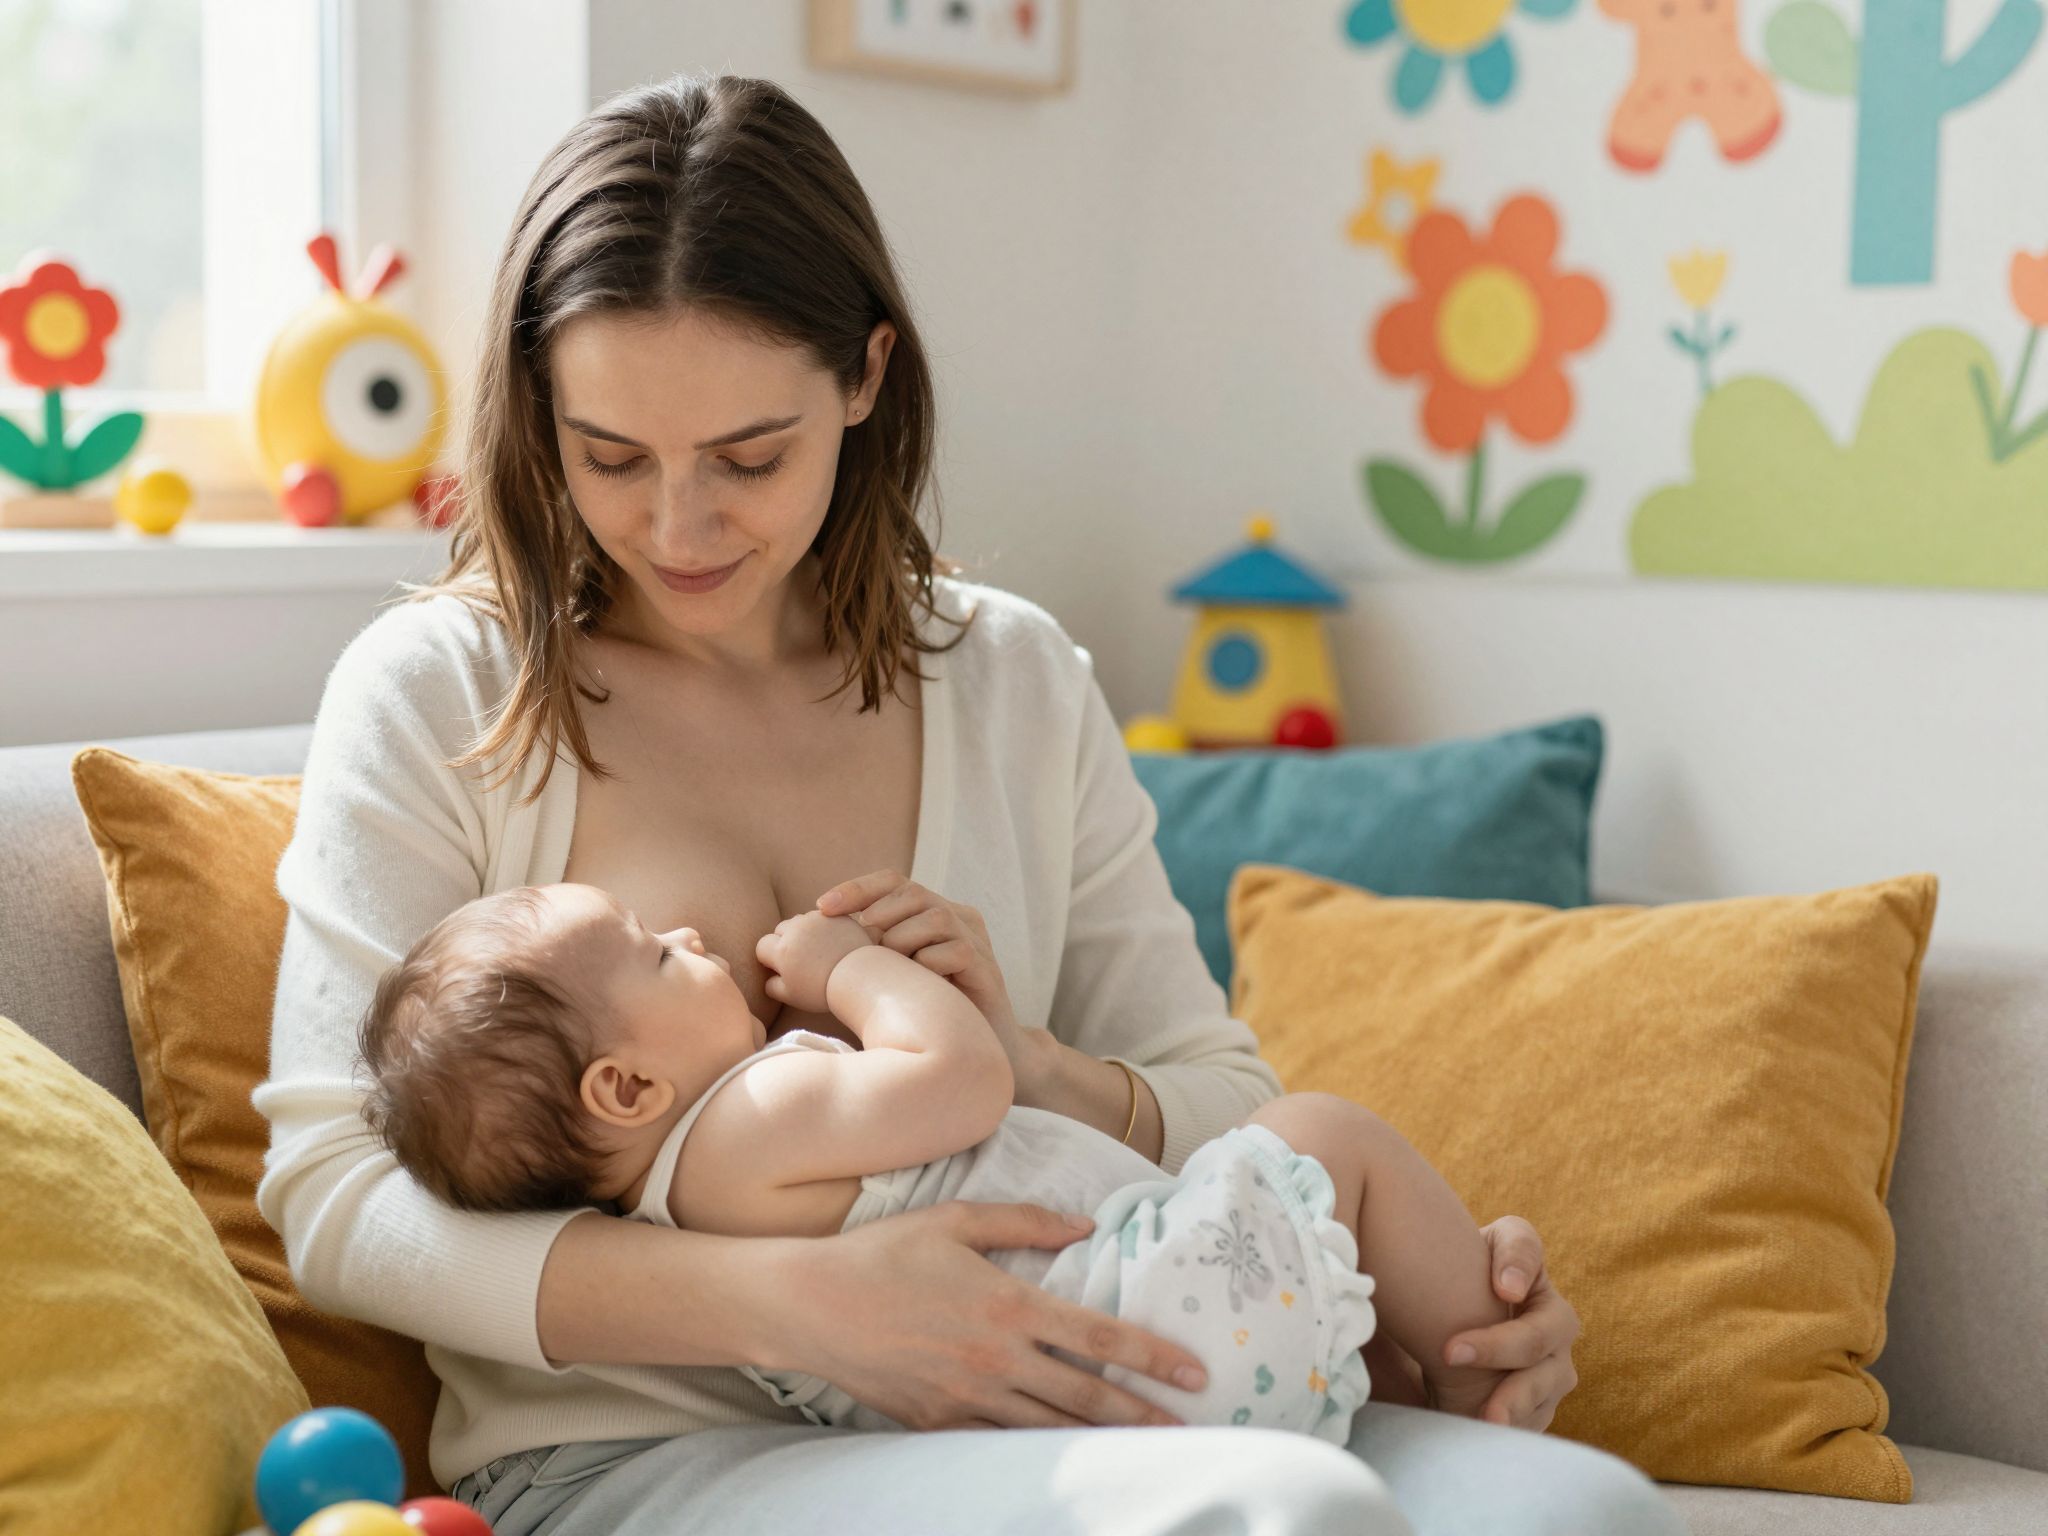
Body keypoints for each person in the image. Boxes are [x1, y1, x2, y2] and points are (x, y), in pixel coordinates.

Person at [255, 68, 1689, 1536]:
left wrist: (1031, 1063)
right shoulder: (443, 690)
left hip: (1079, 1377)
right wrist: (800, 1305)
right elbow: (336, 1201)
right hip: (636, 1459)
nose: (677, 526)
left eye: (750, 457)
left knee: (1587, 1514)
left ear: (866, 380)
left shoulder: (1011, 679)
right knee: (1272, 1511)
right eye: (610, 456)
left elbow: (1222, 1097)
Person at [352, 881, 1516, 1436]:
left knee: (1304, 1211)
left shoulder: (690, 1205)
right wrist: (851, 968)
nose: (691, 937)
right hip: (1145, 1312)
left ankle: (1420, 1385)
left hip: (1115, 1397)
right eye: (657, 957)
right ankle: (1480, 1371)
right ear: (626, 1089)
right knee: (1324, 1136)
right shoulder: (751, 1117)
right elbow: (962, 1082)